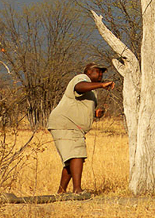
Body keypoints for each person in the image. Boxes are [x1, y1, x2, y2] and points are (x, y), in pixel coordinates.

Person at [47, 63, 114, 197]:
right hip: (66, 124)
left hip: (70, 126)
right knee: (77, 155)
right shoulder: (81, 78)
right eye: (98, 72)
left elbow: (81, 107)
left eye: (102, 73)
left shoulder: (92, 92)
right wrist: (102, 85)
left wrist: (95, 114)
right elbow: (79, 87)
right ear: (88, 72)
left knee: (71, 160)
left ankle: (61, 192)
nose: (101, 75)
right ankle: (77, 190)